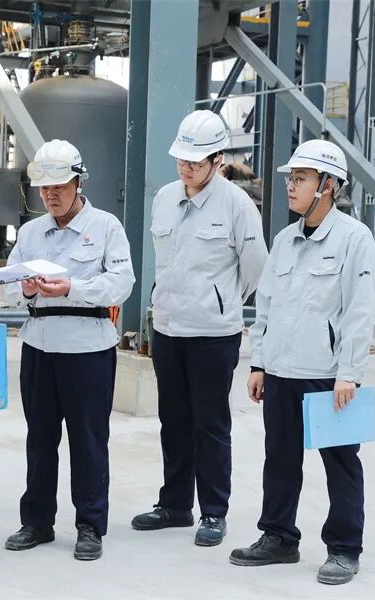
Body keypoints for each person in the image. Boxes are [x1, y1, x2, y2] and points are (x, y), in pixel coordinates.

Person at [229, 139, 375, 586]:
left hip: (328, 376)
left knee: (341, 463)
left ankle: (344, 548)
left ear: (327, 185)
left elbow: (360, 312)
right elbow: (267, 305)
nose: (290, 187)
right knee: (279, 459)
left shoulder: (354, 239)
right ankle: (279, 537)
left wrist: (349, 373)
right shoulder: (285, 240)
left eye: (300, 179)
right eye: (291, 179)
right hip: (282, 372)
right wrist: (259, 363)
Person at [131, 110, 268, 547]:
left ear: (217, 159)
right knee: (173, 421)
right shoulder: (165, 198)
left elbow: (256, 270)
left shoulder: (237, 205)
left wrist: (221, 301)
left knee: (210, 425)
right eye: (181, 159)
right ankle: (174, 505)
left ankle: (213, 511)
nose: (186, 167)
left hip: (213, 334)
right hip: (168, 329)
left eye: (195, 161)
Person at [2, 140, 134, 561]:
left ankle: (90, 525)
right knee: (39, 439)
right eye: (44, 188)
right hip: (39, 345)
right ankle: (37, 522)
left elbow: (121, 283)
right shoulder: (30, 233)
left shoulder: (106, 227)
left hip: (88, 348)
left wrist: (72, 288)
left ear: (79, 182)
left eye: (58, 186)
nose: (50, 195)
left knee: (88, 440)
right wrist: (23, 289)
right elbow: (7, 287)